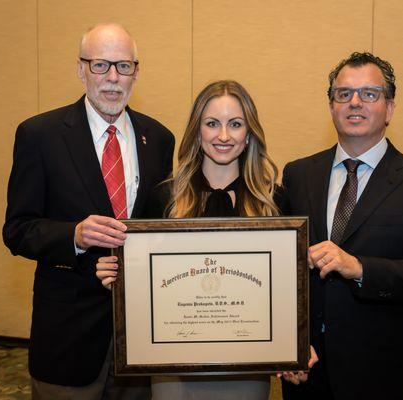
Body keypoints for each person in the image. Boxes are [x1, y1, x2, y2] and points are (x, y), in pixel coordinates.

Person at [3, 23, 175, 399]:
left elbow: (160, 230)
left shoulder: (159, 139)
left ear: (136, 71)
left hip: (140, 336)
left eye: (124, 66)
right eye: (101, 65)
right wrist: (75, 237)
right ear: (80, 69)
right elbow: (17, 230)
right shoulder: (40, 135)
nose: (113, 78)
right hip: (69, 335)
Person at [281, 52, 403, 400]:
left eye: (370, 93)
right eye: (343, 94)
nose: (355, 103)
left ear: (390, 108)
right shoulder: (298, 174)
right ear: (331, 106)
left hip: (383, 375)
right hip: (308, 372)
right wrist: (290, 341)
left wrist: (359, 267)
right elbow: (283, 269)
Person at [96, 80, 282, 400]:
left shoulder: (274, 203)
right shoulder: (164, 199)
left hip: (248, 364)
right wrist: (116, 274)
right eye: (212, 124)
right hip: (174, 365)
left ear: (249, 133)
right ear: (197, 132)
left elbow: (284, 290)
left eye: (235, 124)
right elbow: (143, 281)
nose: (223, 135)